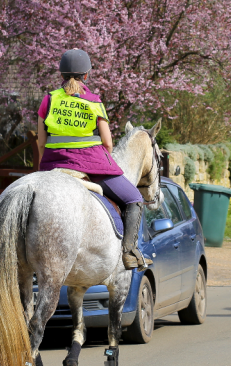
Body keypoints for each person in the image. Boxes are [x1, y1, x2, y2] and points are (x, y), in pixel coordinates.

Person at [36, 48, 151, 271]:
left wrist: (45, 166)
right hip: (92, 165)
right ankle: (128, 252)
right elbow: (107, 143)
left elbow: (41, 142)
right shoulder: (94, 101)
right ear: (86, 76)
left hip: (53, 165)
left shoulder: (49, 99)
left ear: (61, 75)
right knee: (134, 199)